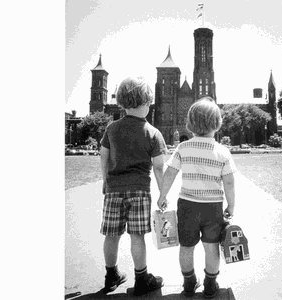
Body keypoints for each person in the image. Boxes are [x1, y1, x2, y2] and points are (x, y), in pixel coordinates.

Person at [157, 97, 237, 299]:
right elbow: (229, 183)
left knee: (186, 246)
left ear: (190, 123)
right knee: (211, 247)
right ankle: (210, 284)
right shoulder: (223, 152)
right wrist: (232, 207)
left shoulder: (183, 148)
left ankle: (189, 282)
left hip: (187, 206)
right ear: (217, 123)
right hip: (213, 207)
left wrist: (162, 195)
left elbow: (170, 173)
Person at [99, 76, 167, 296]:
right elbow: (158, 167)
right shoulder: (152, 132)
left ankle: (111, 275)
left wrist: (105, 181)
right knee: (137, 236)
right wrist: (163, 193)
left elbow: (104, 156)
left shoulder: (111, 129)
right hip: (139, 191)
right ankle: (141, 278)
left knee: (111, 234)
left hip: (113, 190)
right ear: (147, 103)